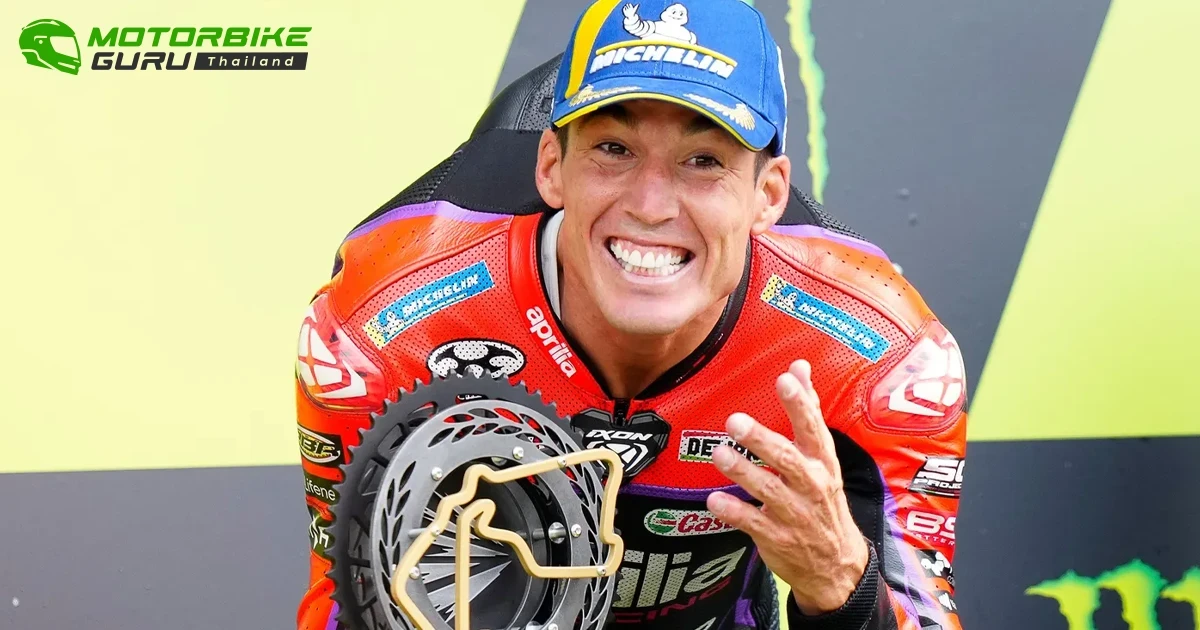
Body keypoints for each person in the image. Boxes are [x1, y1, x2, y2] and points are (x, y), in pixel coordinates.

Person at [293, 0, 967, 628]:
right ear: (551, 166)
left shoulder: (881, 357)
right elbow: (341, 607)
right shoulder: (382, 323)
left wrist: (841, 580)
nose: (650, 205)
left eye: (703, 160)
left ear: (769, 194)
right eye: (614, 150)